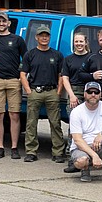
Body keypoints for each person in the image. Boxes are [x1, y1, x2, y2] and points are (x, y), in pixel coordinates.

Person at [0, 10, 26, 159]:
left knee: (14, 115)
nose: (1, 24)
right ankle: (0, 147)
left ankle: (14, 147)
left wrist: (22, 76)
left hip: (14, 81)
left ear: (8, 23)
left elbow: (25, 59)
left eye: (4, 21)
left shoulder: (17, 40)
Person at [19, 23, 66, 163]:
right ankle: (31, 152)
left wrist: (58, 92)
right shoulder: (30, 54)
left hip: (52, 92)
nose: (44, 38)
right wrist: (28, 90)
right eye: (41, 36)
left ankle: (58, 152)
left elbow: (61, 75)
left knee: (55, 123)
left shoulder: (56, 55)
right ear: (36, 37)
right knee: (31, 123)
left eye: (46, 36)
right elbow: (22, 74)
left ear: (49, 37)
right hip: (35, 91)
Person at [60, 32, 93, 172]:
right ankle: (72, 159)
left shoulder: (92, 58)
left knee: (89, 126)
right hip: (74, 92)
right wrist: (72, 96)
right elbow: (65, 78)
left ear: (86, 42)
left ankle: (88, 157)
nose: (79, 44)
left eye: (81, 41)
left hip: (90, 92)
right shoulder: (68, 59)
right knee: (73, 128)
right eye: (76, 41)